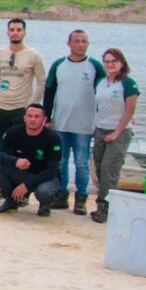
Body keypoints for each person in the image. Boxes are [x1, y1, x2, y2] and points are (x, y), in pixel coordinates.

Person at [43, 30, 105, 215]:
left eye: (84, 41)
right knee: (61, 161)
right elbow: (49, 91)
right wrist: (47, 117)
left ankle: (81, 198)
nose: (80, 44)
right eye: (77, 41)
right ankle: (61, 195)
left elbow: (104, 94)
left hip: (84, 125)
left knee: (81, 163)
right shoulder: (59, 65)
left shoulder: (94, 66)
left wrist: (100, 119)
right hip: (60, 123)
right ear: (68, 43)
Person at [0, 18, 46, 199]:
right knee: (1, 147)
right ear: (7, 32)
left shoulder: (33, 55)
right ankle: (4, 185)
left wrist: (31, 106)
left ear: (24, 32)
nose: (15, 33)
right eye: (12, 29)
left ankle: (23, 189)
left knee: (22, 149)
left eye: (18, 29)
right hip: (1, 108)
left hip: (21, 109)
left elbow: (41, 82)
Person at [90, 48, 140, 223]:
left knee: (109, 170)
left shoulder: (128, 83)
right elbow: (98, 106)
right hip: (100, 129)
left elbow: (130, 110)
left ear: (122, 63)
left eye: (114, 61)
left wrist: (117, 132)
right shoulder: (101, 82)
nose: (110, 64)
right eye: (107, 61)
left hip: (118, 132)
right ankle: (102, 204)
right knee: (98, 167)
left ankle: (106, 208)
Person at [0, 104, 61, 217]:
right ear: (24, 118)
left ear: (44, 119)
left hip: (44, 177)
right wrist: (15, 161)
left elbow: (52, 170)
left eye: (37, 116)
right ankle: (11, 201)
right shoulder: (14, 131)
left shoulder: (53, 138)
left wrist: (27, 185)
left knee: (44, 192)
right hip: (23, 174)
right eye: (30, 116)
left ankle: (45, 205)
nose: (33, 119)